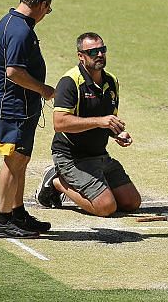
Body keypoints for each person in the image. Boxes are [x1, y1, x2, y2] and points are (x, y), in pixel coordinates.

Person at [35, 32, 141, 217]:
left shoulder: (111, 81)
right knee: (106, 207)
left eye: (102, 50)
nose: (99, 55)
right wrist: (100, 121)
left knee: (132, 202)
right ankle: (56, 180)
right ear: (81, 56)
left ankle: (93, 183)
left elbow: (110, 119)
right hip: (71, 157)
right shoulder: (69, 82)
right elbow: (60, 123)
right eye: (93, 52)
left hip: (99, 155)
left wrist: (117, 133)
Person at [0, 0, 55, 238]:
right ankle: (3, 221)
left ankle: (17, 213)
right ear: (41, 4)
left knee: (22, 159)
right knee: (13, 161)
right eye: (48, 10)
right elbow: (14, 72)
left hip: (20, 106)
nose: (46, 15)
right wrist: (43, 89)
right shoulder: (20, 31)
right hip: (15, 107)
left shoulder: (10, 22)